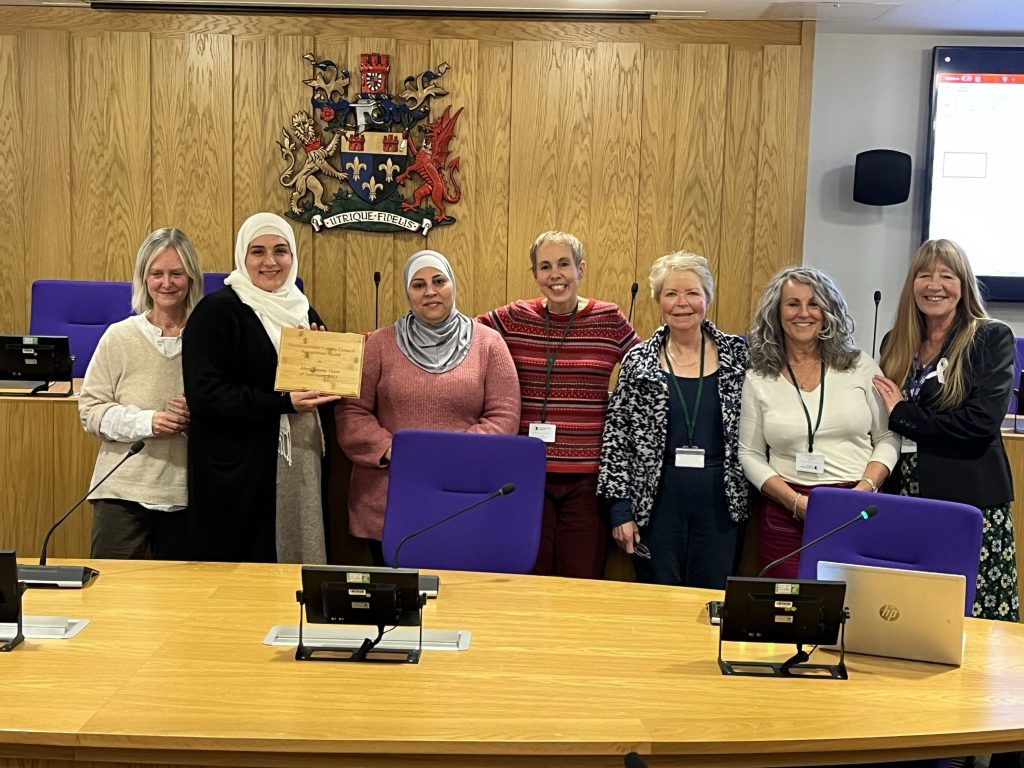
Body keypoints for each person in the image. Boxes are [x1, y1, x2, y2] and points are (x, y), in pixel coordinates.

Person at [336, 249, 520, 563]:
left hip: (463, 492)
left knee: (457, 602)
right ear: (408, 292)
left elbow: (504, 414)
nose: (430, 291)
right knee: (395, 603)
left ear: (453, 285)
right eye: (418, 285)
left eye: (439, 281)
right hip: (391, 496)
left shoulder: (489, 344)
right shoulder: (379, 344)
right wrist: (394, 450)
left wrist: (452, 453)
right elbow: (352, 412)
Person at [874, 238, 1019, 622]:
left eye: (946, 275)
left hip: (969, 502)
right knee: (911, 616)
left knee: (974, 622)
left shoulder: (990, 338)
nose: (934, 284)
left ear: (963, 284)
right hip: (905, 495)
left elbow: (978, 425)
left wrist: (904, 414)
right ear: (912, 285)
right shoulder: (896, 344)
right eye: (924, 275)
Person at [479, 231, 638, 579]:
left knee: (579, 580)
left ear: (580, 269)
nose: (555, 275)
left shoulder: (609, 319)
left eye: (564, 264)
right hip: (526, 475)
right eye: (545, 266)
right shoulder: (514, 318)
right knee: (528, 577)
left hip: (587, 480)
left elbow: (646, 366)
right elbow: (458, 333)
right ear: (534, 274)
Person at [182, 212, 339, 564]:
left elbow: (322, 396)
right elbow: (206, 395)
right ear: (242, 256)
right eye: (258, 251)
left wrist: (325, 366)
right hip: (237, 470)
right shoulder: (217, 311)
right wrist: (281, 403)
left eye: (280, 251)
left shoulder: (303, 311)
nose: (270, 262)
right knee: (241, 573)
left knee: (293, 562)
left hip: (296, 460)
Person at [598, 252, 749, 588]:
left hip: (721, 504)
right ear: (658, 301)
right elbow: (616, 440)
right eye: (671, 294)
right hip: (656, 503)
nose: (683, 303)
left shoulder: (738, 357)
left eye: (692, 293)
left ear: (707, 298)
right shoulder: (638, 361)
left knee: (712, 602)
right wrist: (620, 510)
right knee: (658, 602)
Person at [739, 266, 899, 578]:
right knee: (787, 611)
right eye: (792, 303)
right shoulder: (759, 376)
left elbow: (888, 438)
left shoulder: (861, 366)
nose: (804, 313)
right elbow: (750, 454)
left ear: (828, 311)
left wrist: (863, 490)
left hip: (855, 508)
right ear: (777, 312)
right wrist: (795, 502)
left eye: (814, 303)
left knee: (850, 608)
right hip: (786, 511)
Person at [78, 228, 203, 559]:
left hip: (188, 493)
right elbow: (90, 412)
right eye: (156, 274)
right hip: (121, 490)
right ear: (143, 279)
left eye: (176, 273)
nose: (167, 283)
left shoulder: (209, 338)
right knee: (112, 598)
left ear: (191, 278)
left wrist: (200, 413)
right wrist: (151, 422)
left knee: (182, 603)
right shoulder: (119, 337)